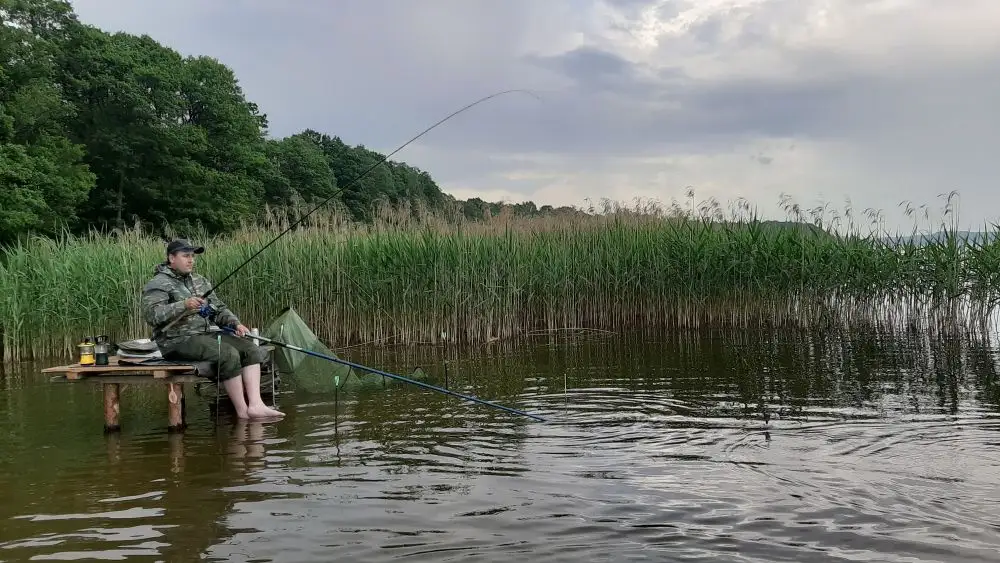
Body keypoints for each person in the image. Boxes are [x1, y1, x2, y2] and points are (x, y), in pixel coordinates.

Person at [141, 238, 284, 419]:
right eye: (186, 256)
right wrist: (183, 305)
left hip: (207, 334)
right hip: (176, 340)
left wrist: (235, 324)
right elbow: (152, 315)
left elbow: (219, 308)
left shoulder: (200, 281)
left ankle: (256, 405)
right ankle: (242, 412)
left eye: (192, 256)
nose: (191, 260)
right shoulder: (157, 283)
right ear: (171, 258)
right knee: (227, 353)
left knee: (250, 349)